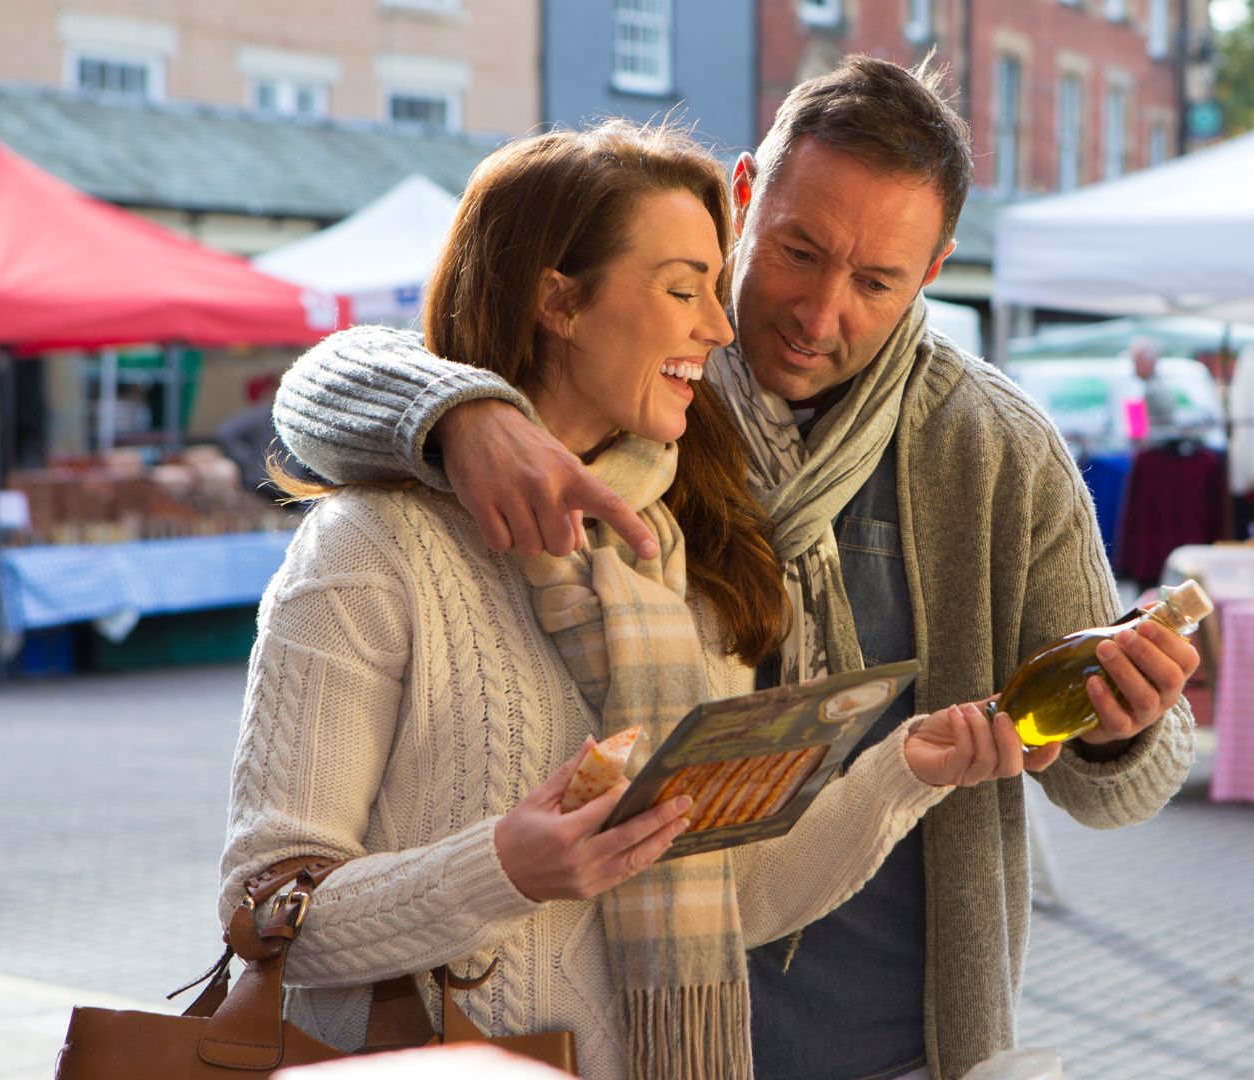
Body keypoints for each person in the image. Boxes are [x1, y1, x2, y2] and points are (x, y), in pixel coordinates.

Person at [272, 60, 1201, 1080]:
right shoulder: (642, 392)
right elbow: (325, 380)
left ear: (933, 270)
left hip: (885, 1034)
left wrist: (1124, 726)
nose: (818, 312)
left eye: (876, 281)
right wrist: (457, 415)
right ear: (746, 194)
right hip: (598, 1029)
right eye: (797, 252)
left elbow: (1105, 789)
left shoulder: (992, 448)